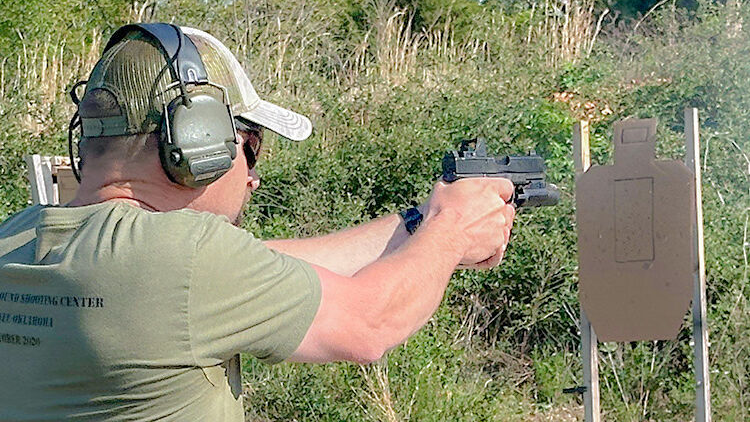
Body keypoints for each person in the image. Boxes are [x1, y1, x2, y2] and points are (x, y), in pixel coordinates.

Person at [0, 23, 515, 421]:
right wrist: (452, 230)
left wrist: (420, 224)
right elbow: (369, 325)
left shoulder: (17, 238)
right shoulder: (191, 260)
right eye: (250, 147)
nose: (252, 178)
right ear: (198, 142)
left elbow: (261, 266)